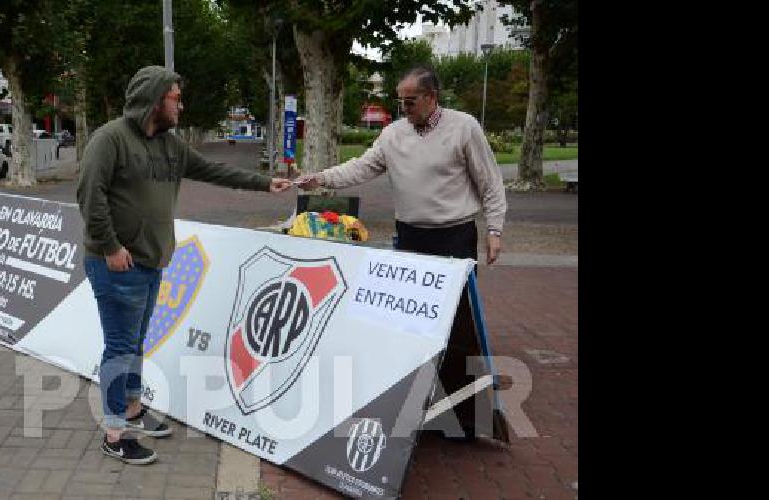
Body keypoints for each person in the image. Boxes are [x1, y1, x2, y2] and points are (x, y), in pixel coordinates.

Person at [77, 65, 292, 464]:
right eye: (175, 97)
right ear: (154, 99)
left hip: (151, 260)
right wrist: (109, 247)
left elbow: (214, 170)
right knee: (120, 347)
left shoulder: (171, 146)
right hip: (116, 264)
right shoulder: (110, 140)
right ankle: (113, 430)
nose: (181, 103)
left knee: (136, 342)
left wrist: (264, 183)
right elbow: (90, 195)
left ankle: (133, 409)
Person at [295, 67, 507, 442]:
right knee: (413, 323)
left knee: (457, 324)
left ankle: (466, 412)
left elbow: (490, 181)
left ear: (431, 96)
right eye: (400, 100)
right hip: (411, 237)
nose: (404, 107)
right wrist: (321, 179)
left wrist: (494, 230)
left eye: (410, 101)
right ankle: (415, 400)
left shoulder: (464, 127)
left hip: (455, 237)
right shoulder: (393, 134)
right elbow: (362, 166)